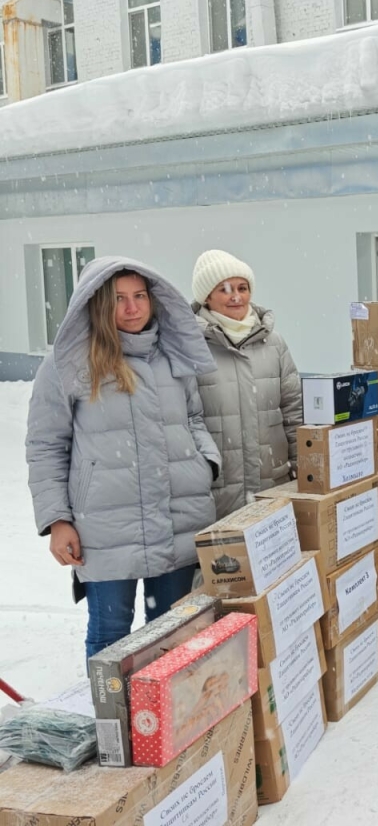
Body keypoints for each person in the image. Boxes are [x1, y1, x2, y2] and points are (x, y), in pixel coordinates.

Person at [26, 257, 221, 660]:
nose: (132, 308)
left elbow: (194, 417)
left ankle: (162, 723)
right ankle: (113, 724)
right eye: (119, 299)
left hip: (177, 518)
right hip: (105, 530)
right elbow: (46, 445)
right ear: (97, 304)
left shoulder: (172, 354)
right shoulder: (68, 364)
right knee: (110, 640)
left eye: (140, 296)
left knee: (172, 635)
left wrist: (205, 464)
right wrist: (58, 521)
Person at [191, 250, 303, 519]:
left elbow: (293, 412)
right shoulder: (190, 346)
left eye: (243, 287)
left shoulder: (274, 343)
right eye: (225, 289)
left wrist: (302, 466)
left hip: (273, 486)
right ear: (206, 296)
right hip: (218, 492)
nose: (237, 296)